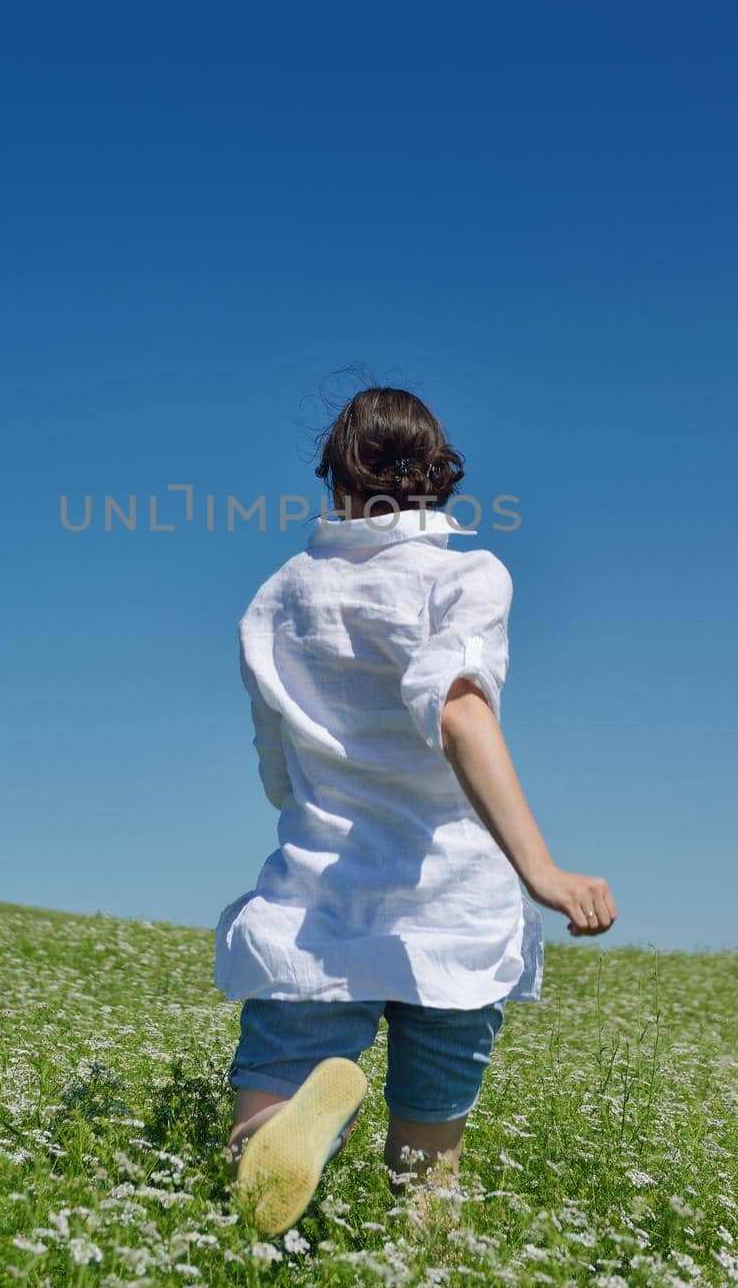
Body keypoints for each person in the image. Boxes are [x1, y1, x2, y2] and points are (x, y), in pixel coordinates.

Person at [214, 386, 616, 1235]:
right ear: (438, 477)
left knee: (261, 1132)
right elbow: (460, 709)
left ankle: (285, 1133)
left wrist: (316, 798)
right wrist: (539, 868)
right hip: (454, 919)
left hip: (319, 912)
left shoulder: (281, 595)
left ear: (335, 479)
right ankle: (420, 1278)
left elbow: (276, 762)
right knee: (427, 1176)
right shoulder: (465, 575)